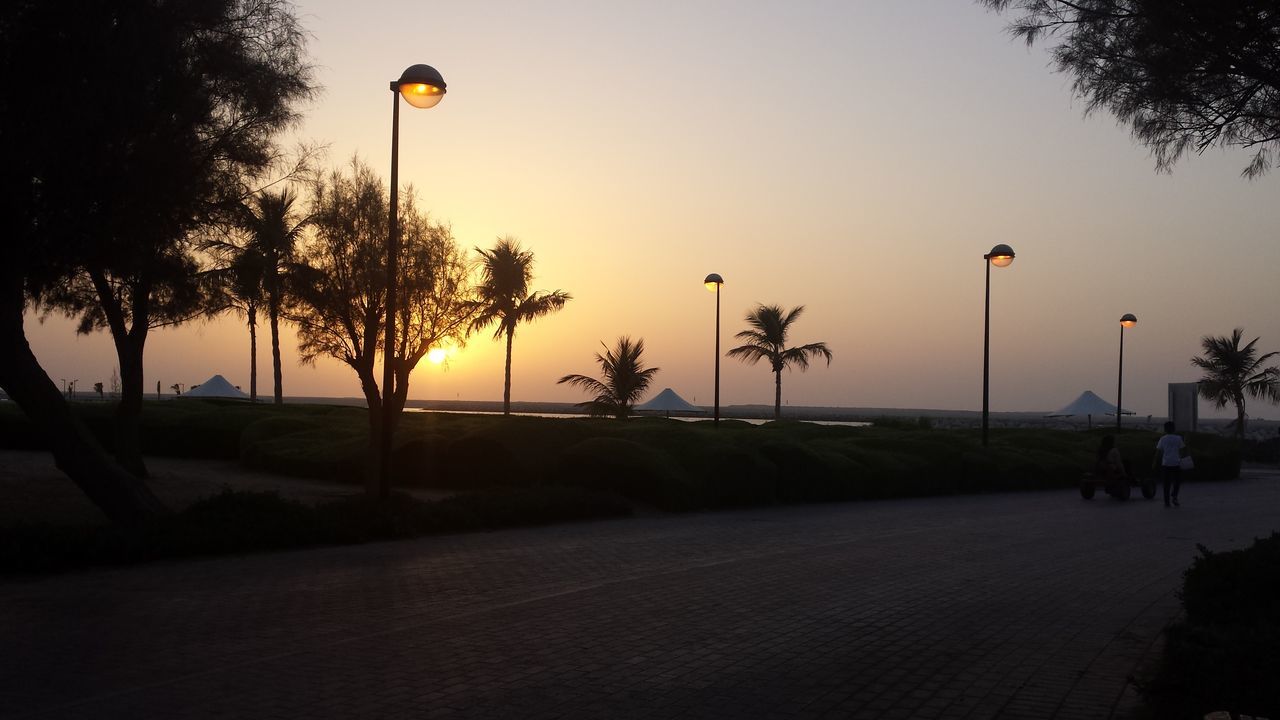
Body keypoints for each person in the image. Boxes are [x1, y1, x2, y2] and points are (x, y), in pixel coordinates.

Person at [1154, 421, 1185, 507]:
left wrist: (1155, 461)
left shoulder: (1162, 439)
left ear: (1165, 429)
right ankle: (1174, 495)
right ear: (1174, 429)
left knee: (1166, 483)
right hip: (1176, 462)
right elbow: (1182, 450)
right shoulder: (1178, 438)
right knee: (1177, 481)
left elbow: (1158, 451)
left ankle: (1166, 502)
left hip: (1166, 463)